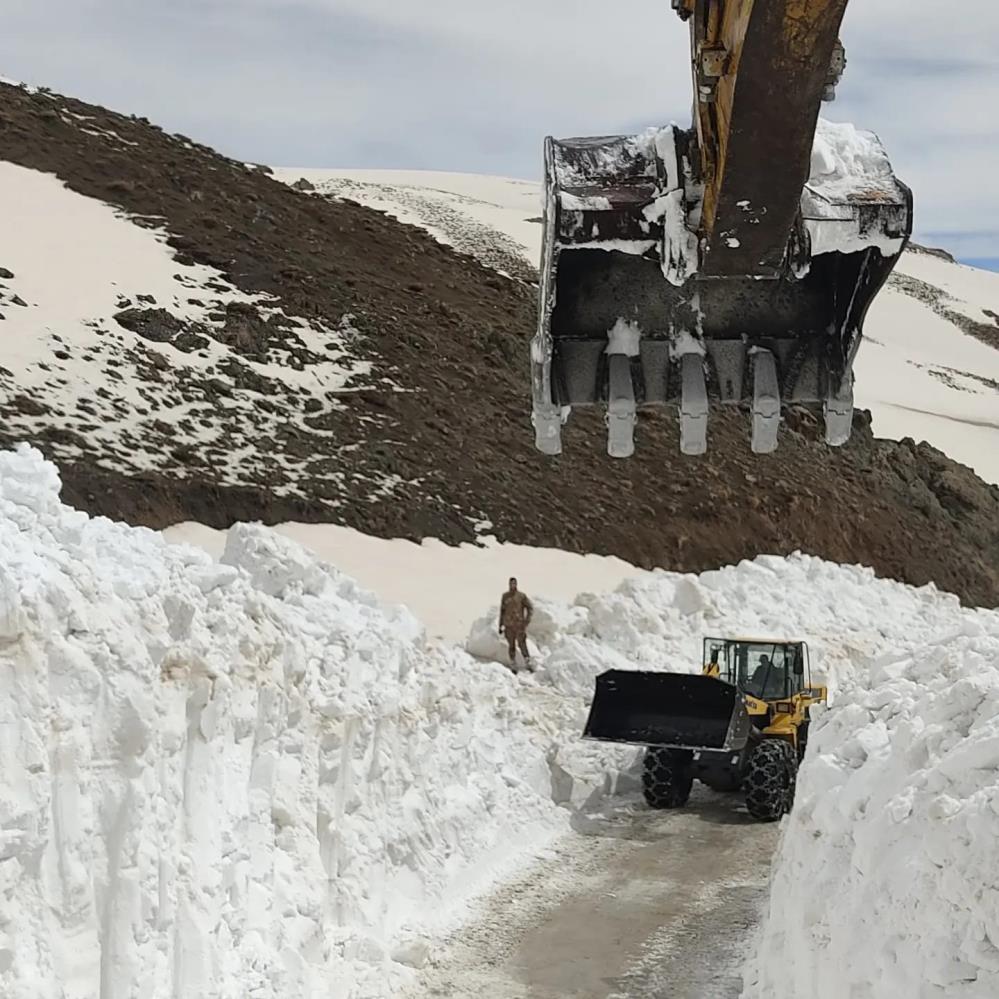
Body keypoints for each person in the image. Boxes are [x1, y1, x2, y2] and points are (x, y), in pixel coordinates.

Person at [499, 577, 533, 671]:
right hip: (508, 625)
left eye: (514, 583)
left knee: (522, 643)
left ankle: (527, 661)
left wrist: (527, 621)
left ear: (516, 584)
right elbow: (502, 611)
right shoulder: (505, 596)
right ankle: (513, 663)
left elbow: (530, 607)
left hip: (519, 625)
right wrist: (500, 625)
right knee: (511, 645)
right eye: (511, 583)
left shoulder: (521, 596)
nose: (512, 585)